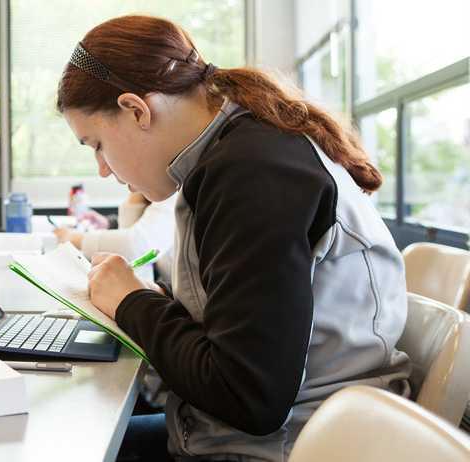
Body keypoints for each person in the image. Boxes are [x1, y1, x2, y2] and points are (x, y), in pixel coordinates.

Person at [57, 15, 410, 462]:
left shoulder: (253, 172)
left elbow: (249, 396)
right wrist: (150, 300)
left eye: (96, 145)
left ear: (136, 110)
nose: (102, 169)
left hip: (288, 447)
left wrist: (132, 303)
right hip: (271, 432)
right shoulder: (238, 154)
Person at [53, 191, 176, 282]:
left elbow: (136, 245)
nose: (103, 173)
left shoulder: (173, 193)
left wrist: (75, 238)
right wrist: (110, 223)